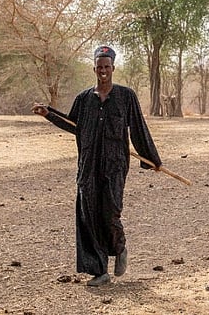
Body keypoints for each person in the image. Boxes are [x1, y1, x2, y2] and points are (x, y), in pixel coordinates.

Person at [32, 45, 162, 287]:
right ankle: (99, 270)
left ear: (113, 68)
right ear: (94, 69)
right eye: (99, 67)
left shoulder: (126, 96)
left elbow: (139, 127)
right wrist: (48, 114)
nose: (103, 70)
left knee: (110, 211)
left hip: (115, 164)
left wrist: (152, 158)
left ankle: (120, 247)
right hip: (88, 165)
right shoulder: (83, 99)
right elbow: (74, 125)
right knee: (89, 214)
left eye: (107, 67)